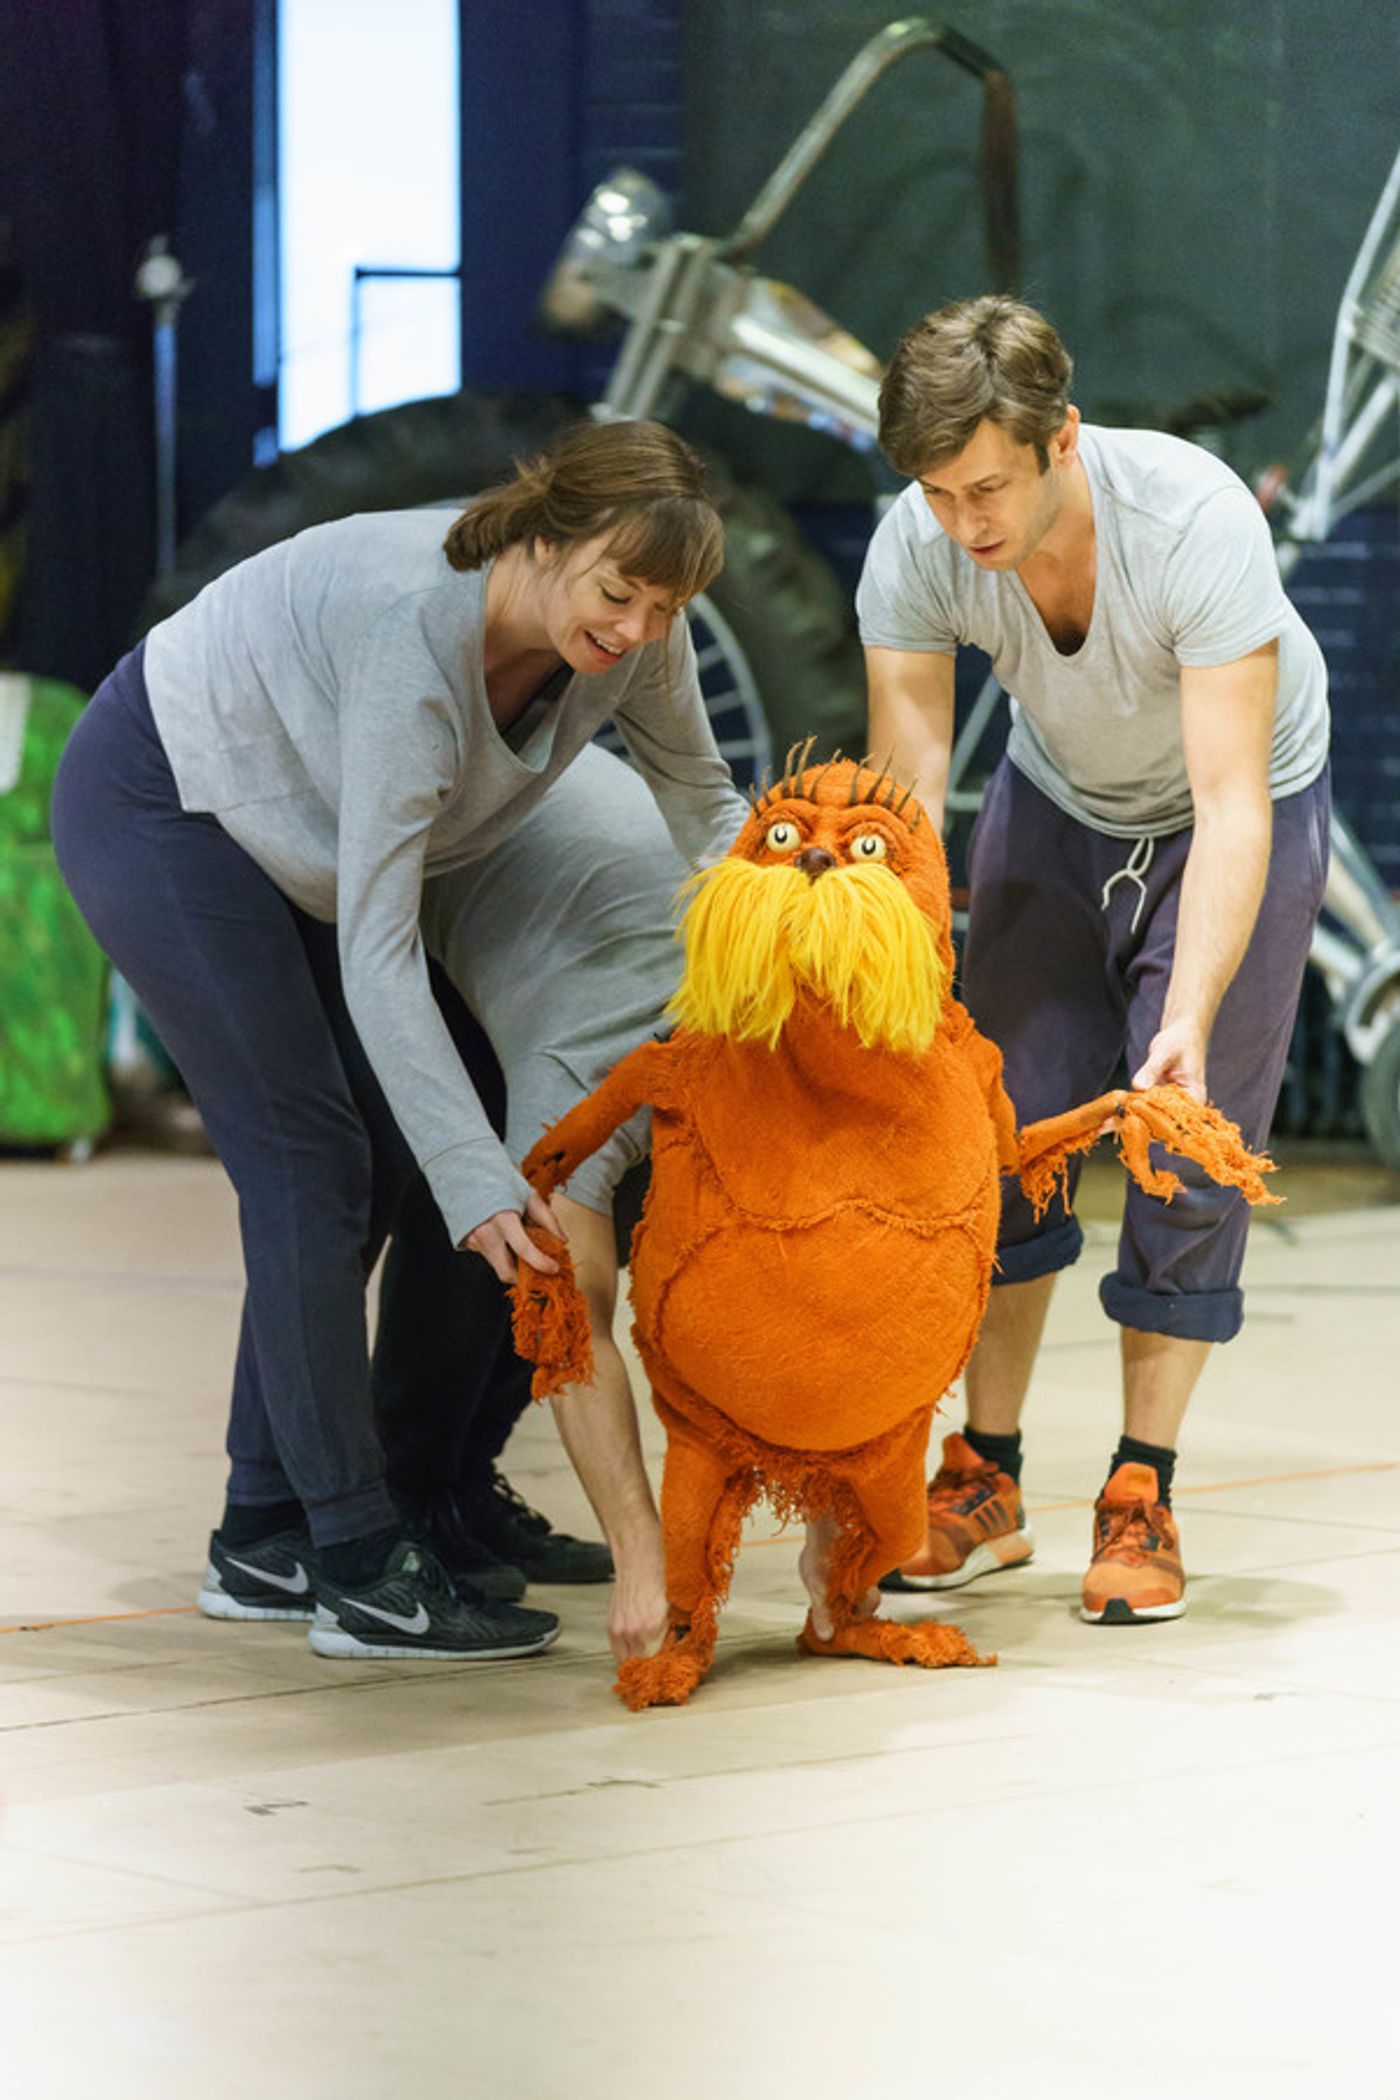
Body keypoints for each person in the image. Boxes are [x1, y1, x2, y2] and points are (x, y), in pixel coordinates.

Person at [52, 418, 747, 1663]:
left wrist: (795, 924)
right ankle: (360, 1564)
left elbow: (701, 796)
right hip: (167, 796)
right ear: (540, 538)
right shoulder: (409, 636)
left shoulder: (634, 624)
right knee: (314, 1166)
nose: (637, 630)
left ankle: (265, 1534)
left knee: (384, 1162)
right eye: (616, 595)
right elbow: (380, 948)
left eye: (664, 605)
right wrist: (477, 1174)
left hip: (298, 830)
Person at [856, 295, 1330, 1623]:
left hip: (1235, 809)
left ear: (1062, 437)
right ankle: (986, 1477)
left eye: (988, 487)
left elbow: (1233, 800)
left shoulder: (1193, 519)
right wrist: (900, 985)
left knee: (1183, 1148)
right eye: (938, 494)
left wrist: (1182, 1018)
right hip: (1058, 804)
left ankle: (1142, 1484)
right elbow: (908, 788)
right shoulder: (920, 543)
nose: (965, 524)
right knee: (999, 1130)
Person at [373, 741, 689, 1660]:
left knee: (649, 1229)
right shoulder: (584, 1074)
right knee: (502, 1232)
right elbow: (572, 1324)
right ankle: (404, 1499)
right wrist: (644, 1559)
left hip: (545, 870)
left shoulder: (783, 1026)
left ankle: (465, 1483)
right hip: (389, 852)